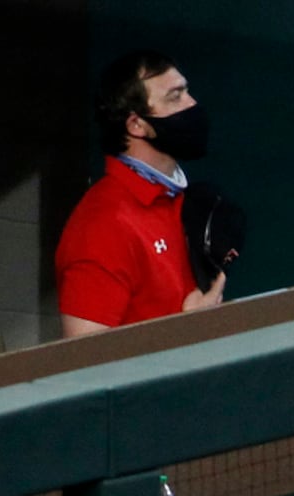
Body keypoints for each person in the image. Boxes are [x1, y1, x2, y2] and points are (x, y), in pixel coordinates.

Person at [58, 51, 224, 338]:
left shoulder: (181, 200)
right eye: (175, 97)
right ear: (137, 124)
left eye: (187, 92)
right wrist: (187, 330)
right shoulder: (104, 226)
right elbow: (84, 361)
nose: (192, 105)